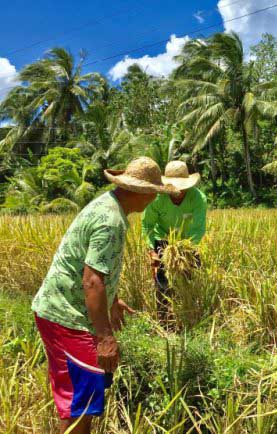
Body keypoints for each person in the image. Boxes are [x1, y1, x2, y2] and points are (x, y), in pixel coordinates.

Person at [31, 157, 177, 434]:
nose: (153, 201)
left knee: (82, 393)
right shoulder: (111, 220)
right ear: (140, 192)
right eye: (153, 194)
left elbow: (99, 269)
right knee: (80, 401)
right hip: (66, 316)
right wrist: (105, 337)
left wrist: (113, 300)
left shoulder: (108, 204)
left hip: (65, 310)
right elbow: (93, 281)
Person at [141, 161, 207, 326]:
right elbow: (147, 226)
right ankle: (165, 319)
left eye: (181, 187)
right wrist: (152, 251)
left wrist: (185, 251)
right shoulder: (156, 199)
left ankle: (191, 314)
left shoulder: (198, 198)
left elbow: (198, 229)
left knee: (192, 276)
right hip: (163, 239)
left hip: (187, 241)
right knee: (162, 280)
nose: (178, 191)